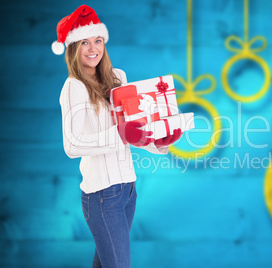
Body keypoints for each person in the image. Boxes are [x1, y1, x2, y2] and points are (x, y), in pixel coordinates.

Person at [53, 5, 182, 267]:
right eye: (84, 42)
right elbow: (71, 144)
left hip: (128, 190)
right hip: (101, 196)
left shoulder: (118, 78)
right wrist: (120, 133)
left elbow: (131, 132)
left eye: (98, 40)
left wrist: (159, 142)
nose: (93, 49)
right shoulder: (73, 87)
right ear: (73, 48)